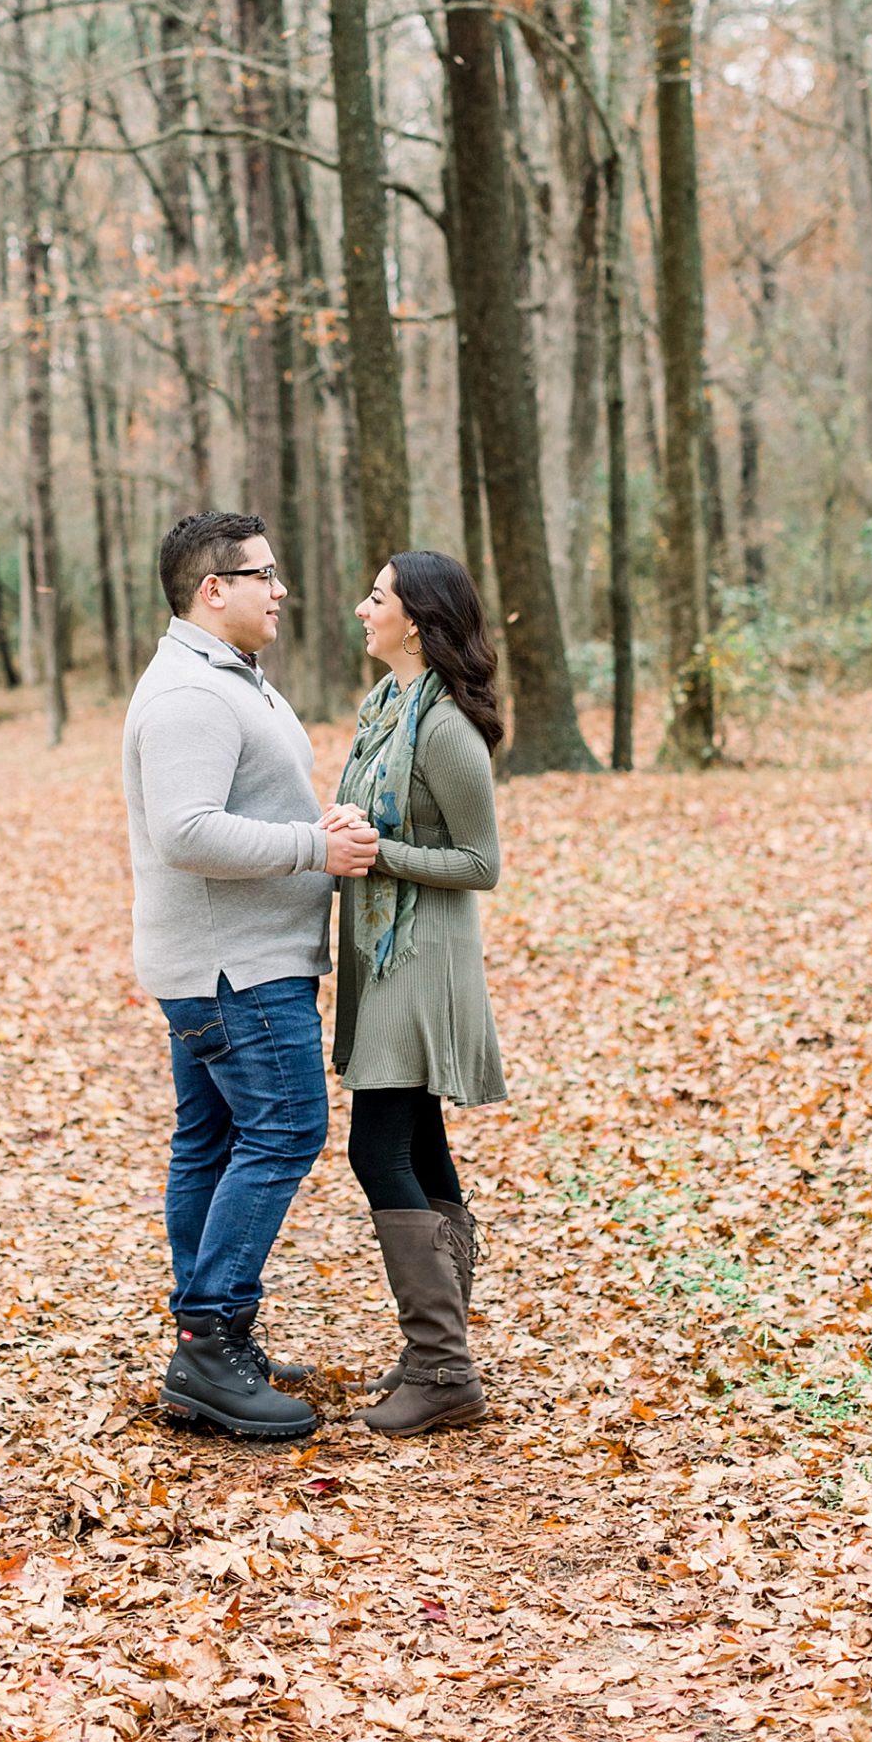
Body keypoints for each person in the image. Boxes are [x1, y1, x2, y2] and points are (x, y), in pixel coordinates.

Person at [123, 510, 380, 1440]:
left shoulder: (226, 678)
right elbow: (184, 831)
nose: (280, 590)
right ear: (211, 589)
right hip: (234, 967)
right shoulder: (192, 693)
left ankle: (215, 1335)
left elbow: (235, 808)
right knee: (283, 1130)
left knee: (213, 1140)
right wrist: (315, 847)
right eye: (262, 575)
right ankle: (206, 1343)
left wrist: (316, 821)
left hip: (227, 959)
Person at [320, 551, 506, 1436]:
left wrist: (378, 853)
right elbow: (372, 814)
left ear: (419, 623)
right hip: (381, 946)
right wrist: (343, 829)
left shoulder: (443, 730)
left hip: (422, 957)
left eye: (377, 598)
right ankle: (439, 1356)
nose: (362, 609)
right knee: (420, 1145)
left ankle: (440, 1366)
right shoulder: (384, 710)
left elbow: (481, 864)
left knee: (377, 1148)